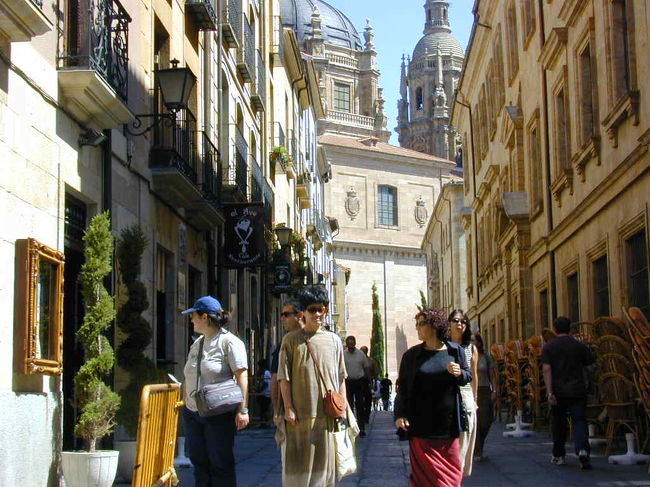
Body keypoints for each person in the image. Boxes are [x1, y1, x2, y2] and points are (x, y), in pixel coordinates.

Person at [277, 285, 347, 486]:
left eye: (321, 309)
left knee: (324, 473)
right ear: (303, 313)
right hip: (299, 417)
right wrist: (288, 408)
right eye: (312, 309)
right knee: (297, 471)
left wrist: (342, 407)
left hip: (326, 417)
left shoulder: (334, 341)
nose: (317, 314)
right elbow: (284, 378)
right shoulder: (290, 340)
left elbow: (341, 377)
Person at [394, 307, 472, 487]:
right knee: (424, 479)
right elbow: (402, 387)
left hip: (448, 426)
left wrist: (460, 373)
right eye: (417, 324)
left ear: (435, 326)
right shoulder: (412, 356)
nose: (418, 328)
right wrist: (400, 414)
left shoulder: (455, 351)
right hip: (420, 426)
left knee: (450, 478)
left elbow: (468, 376)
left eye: (421, 324)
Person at [181, 296, 249, 487]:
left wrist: (243, 410)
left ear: (205, 317)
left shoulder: (230, 342)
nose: (191, 320)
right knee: (199, 462)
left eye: (193, 315)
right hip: (192, 411)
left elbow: (242, 375)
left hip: (218, 413)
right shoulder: (197, 343)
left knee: (220, 463)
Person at [542, 316, 595, 469]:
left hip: (558, 391)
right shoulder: (578, 345)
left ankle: (558, 455)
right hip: (577, 389)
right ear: (569, 328)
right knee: (579, 420)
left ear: (554, 329)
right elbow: (590, 367)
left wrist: (549, 392)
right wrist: (588, 382)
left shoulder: (549, 347)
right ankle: (582, 450)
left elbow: (546, 369)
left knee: (559, 423)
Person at [449, 309, 478, 476]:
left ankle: (456, 477)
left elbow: (474, 375)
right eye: (455, 320)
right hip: (447, 396)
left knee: (463, 442)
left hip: (465, 396)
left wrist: (475, 399)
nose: (459, 324)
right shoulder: (442, 346)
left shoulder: (471, 348)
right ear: (449, 324)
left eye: (463, 321)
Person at [271, 299, 303, 425]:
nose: (282, 319)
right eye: (281, 315)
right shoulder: (284, 343)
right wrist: (278, 410)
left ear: (299, 315)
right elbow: (276, 379)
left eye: (286, 315)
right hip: (292, 414)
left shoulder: (287, 342)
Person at [471, 332, 496, 462]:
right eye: (470, 340)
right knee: (476, 422)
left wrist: (494, 390)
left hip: (485, 390)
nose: (471, 343)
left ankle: (478, 447)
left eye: (473, 340)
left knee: (487, 420)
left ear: (479, 343)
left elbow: (492, 375)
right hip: (472, 391)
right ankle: (477, 451)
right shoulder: (467, 356)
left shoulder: (486, 357)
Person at [344, 336, 368, 437]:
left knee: (360, 405)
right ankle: (350, 427)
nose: (350, 346)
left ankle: (361, 428)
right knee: (349, 406)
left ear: (355, 343)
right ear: (346, 344)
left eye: (352, 343)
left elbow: (366, 367)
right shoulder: (343, 354)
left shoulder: (361, 354)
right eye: (349, 344)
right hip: (348, 382)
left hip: (359, 382)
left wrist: (369, 381)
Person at [257, 359, 272, 427]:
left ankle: (266, 422)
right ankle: (263, 423)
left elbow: (265, 383)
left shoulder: (266, 373)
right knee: (263, 409)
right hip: (265, 393)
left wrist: (259, 390)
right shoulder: (265, 372)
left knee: (264, 409)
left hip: (265, 393)